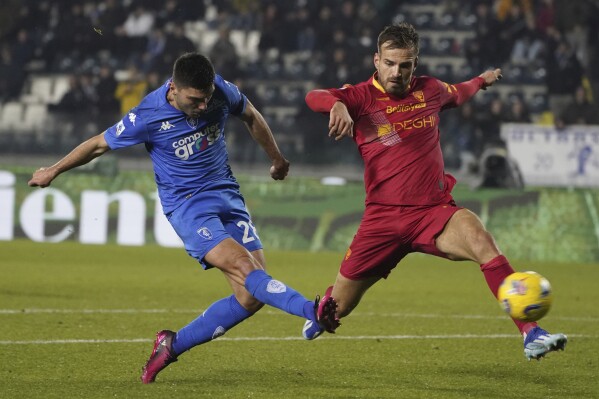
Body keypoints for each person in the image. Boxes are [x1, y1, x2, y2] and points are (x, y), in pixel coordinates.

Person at [28, 52, 338, 383]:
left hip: (227, 196)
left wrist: (276, 158)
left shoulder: (219, 90)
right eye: (195, 100)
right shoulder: (147, 114)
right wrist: (54, 170)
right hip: (189, 208)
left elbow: (250, 115)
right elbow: (98, 145)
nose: (204, 107)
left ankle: (171, 345)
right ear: (173, 88)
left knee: (249, 296)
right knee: (246, 270)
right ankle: (311, 310)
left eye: (207, 99)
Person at [304, 23, 567, 360]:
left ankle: (531, 333)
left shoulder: (430, 90)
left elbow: (459, 92)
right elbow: (313, 97)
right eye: (389, 63)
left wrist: (480, 81)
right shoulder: (358, 97)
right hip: (382, 220)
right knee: (338, 308)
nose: (396, 72)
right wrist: (336, 105)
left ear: (416, 63)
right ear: (376, 60)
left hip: (433, 212)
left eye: (405, 65)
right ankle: (323, 311)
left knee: (481, 240)